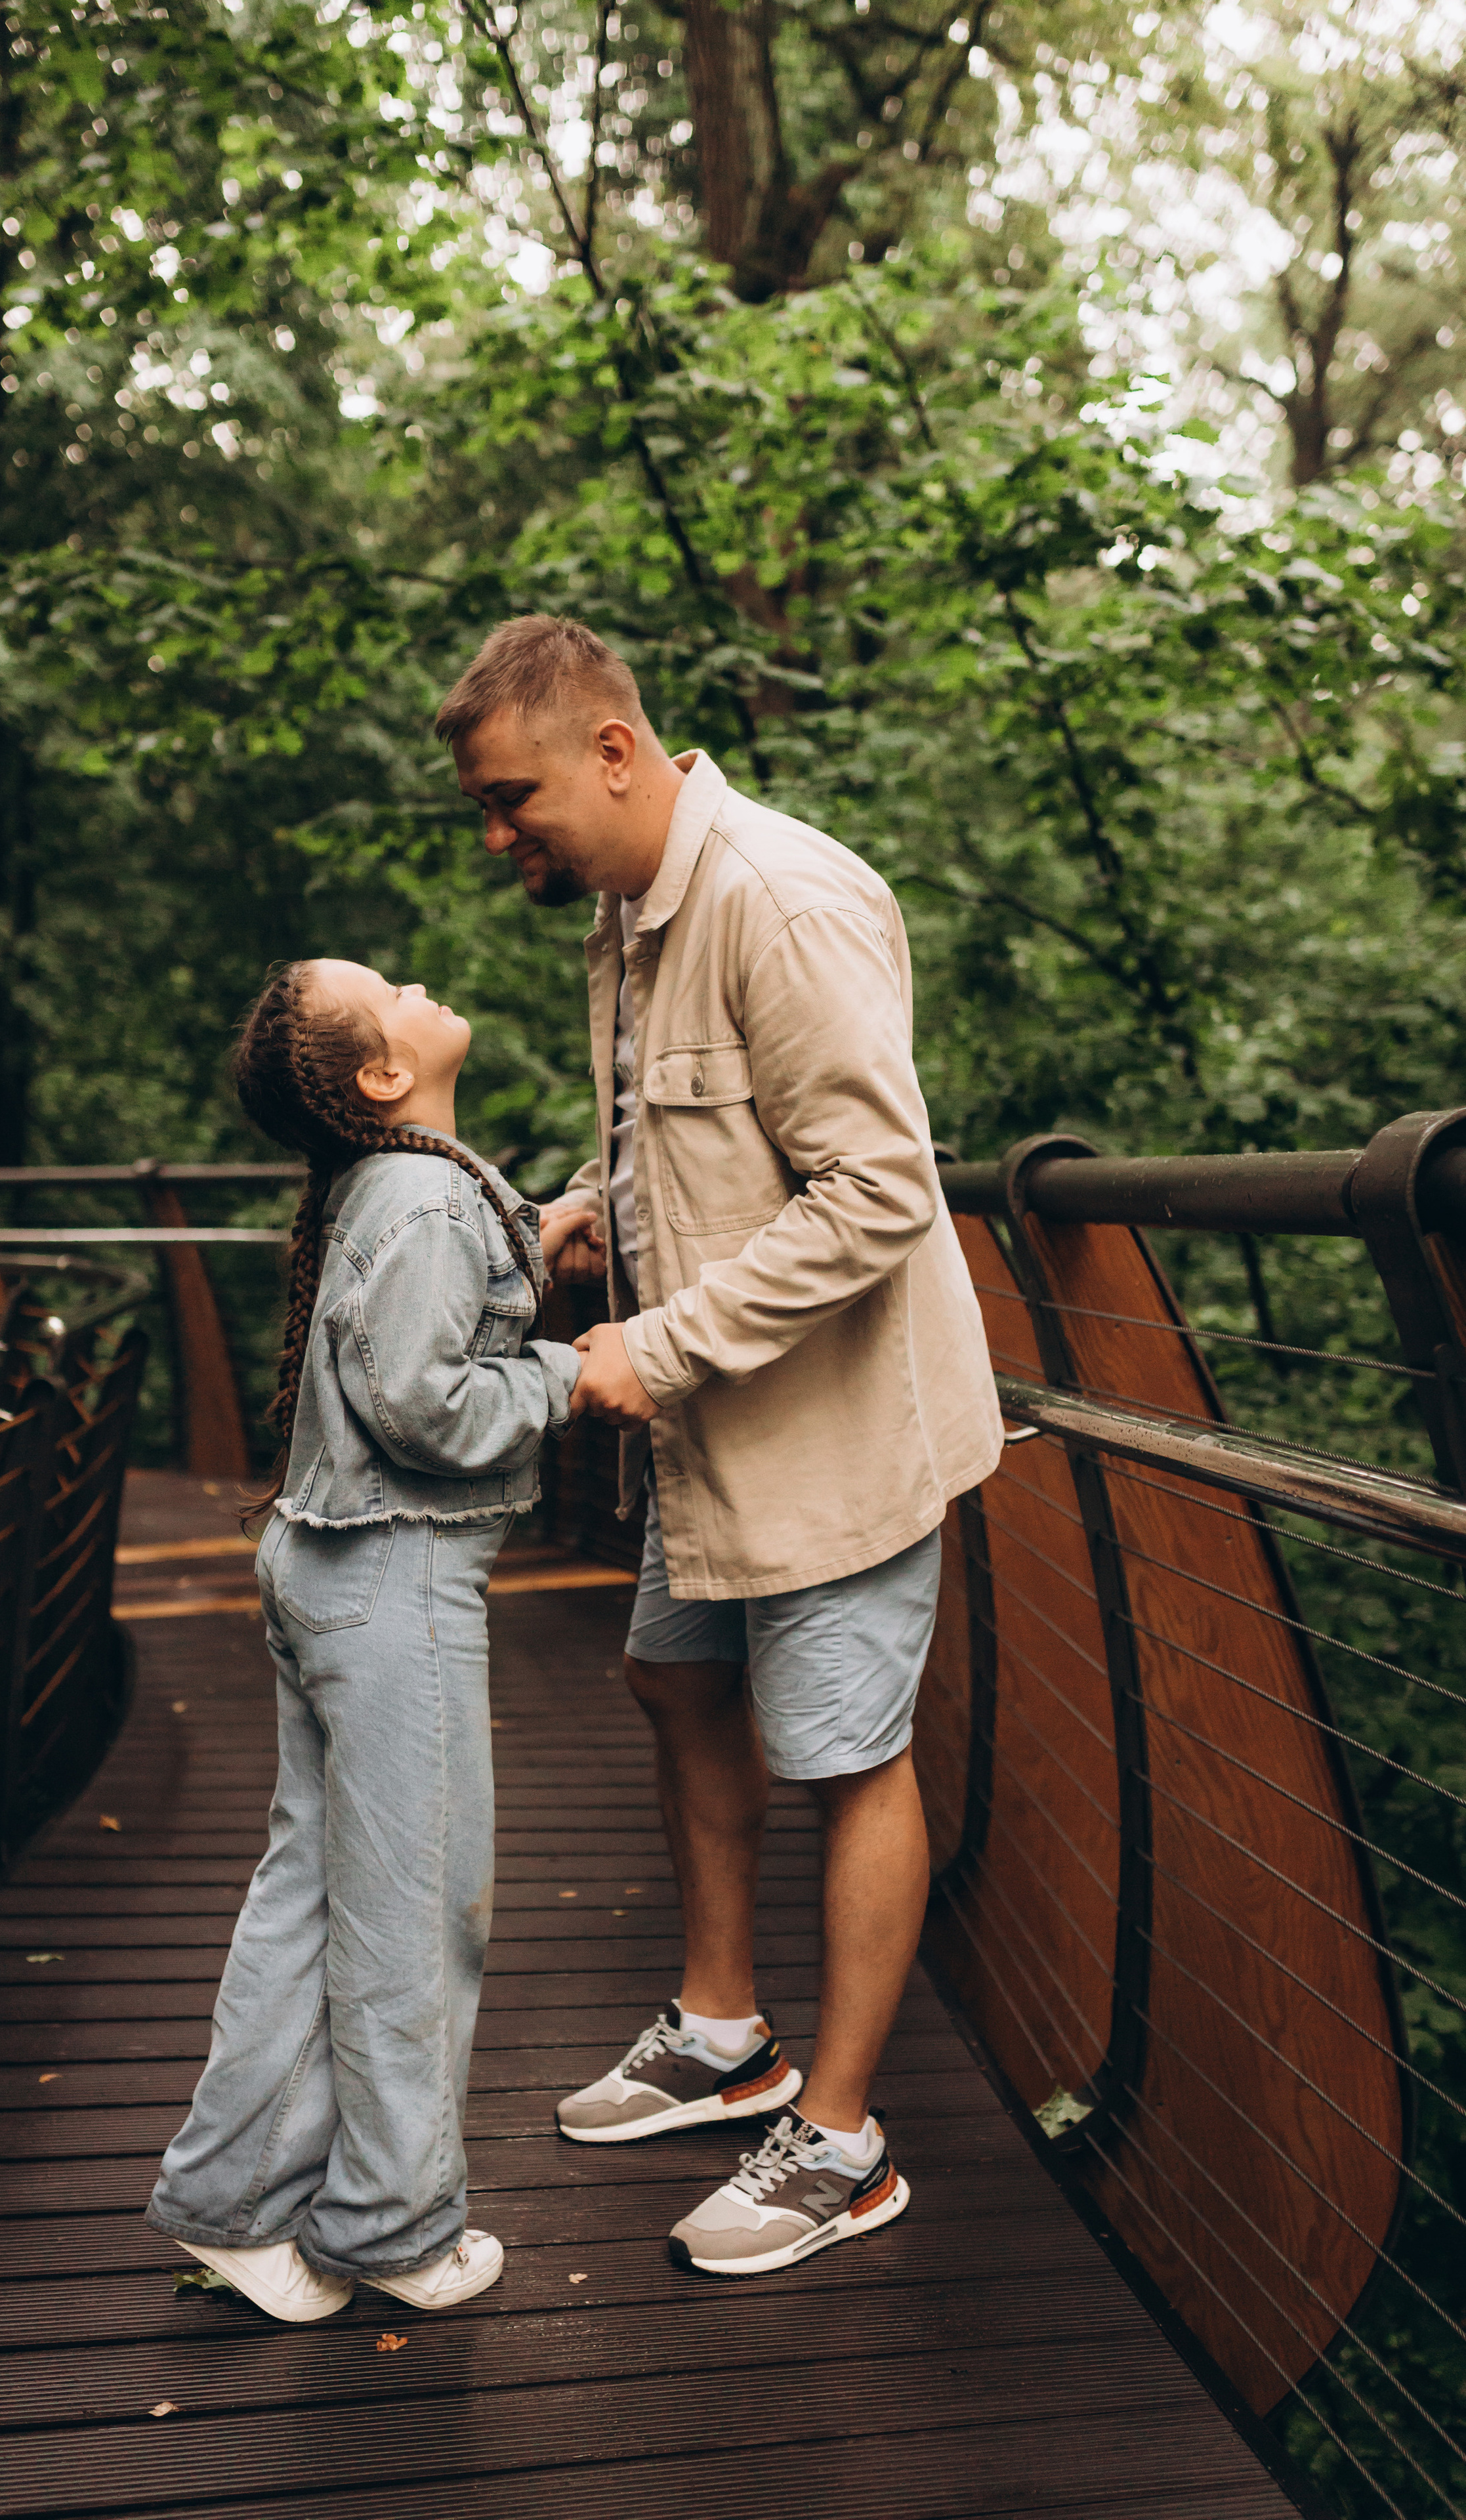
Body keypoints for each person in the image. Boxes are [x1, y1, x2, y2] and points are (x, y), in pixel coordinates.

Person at [439, 616, 1004, 2277]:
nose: (496, 836)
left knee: (845, 1760)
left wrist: (662, 1344)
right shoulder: (627, 907)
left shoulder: (777, 895)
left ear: (613, 752)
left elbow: (882, 1191)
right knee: (676, 1681)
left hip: (830, 1433)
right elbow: (708, 1139)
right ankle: (720, 2032)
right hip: (717, 1436)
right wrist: (585, 1219)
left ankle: (840, 2144)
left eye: (509, 796)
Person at [145, 956, 592, 2321]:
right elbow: (419, 1400)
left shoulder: (400, 1182)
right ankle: (394, 2227)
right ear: (384, 1079)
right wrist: (575, 1372)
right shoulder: (420, 1195)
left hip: (327, 1571)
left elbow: (422, 1296)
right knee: (415, 1916)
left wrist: (548, 1222)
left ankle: (233, 2201)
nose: (418, 978)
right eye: (389, 987)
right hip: (391, 1582)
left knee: (318, 1897)